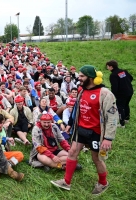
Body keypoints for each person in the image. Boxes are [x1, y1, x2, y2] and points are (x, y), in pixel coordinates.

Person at [51, 65, 119, 196]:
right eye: (79, 75)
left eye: (82, 76)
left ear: (91, 78)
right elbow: (77, 108)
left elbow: (112, 116)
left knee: (96, 158)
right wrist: (71, 123)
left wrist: (108, 138)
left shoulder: (105, 93)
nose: (79, 78)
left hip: (96, 133)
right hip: (81, 129)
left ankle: (103, 183)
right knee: (72, 152)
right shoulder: (82, 90)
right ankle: (66, 182)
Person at [0, 114, 24, 181]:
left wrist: (10, 143)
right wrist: (6, 139)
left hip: (2, 154)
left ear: (3, 122)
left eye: (1, 123)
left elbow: (5, 143)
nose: (0, 125)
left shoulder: (4, 129)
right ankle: (13, 174)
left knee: (20, 155)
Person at [106, 60, 134, 127]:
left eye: (107, 66)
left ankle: (122, 124)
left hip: (121, 94)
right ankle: (126, 119)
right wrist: (125, 83)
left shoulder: (113, 75)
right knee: (126, 104)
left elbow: (115, 87)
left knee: (120, 107)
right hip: (130, 91)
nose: (107, 68)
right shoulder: (123, 71)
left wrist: (113, 95)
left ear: (111, 67)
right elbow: (131, 78)